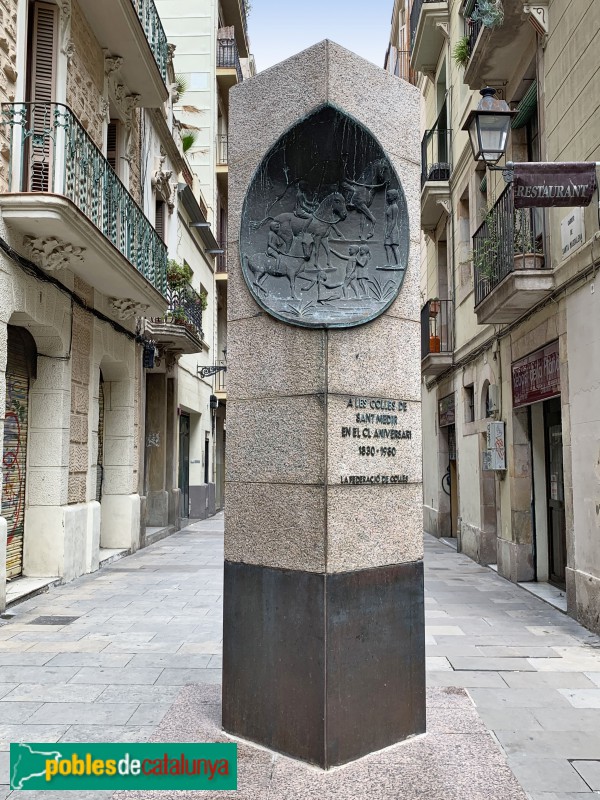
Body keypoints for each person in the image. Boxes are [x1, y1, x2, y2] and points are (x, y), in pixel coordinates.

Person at [384, 189, 401, 265]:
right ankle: (389, 264)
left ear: (393, 197)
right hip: (389, 228)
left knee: (394, 246)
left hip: (393, 229)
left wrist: (389, 231)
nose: (387, 197)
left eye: (388, 196)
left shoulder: (395, 207)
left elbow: (394, 220)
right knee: (387, 246)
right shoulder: (391, 206)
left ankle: (398, 264)